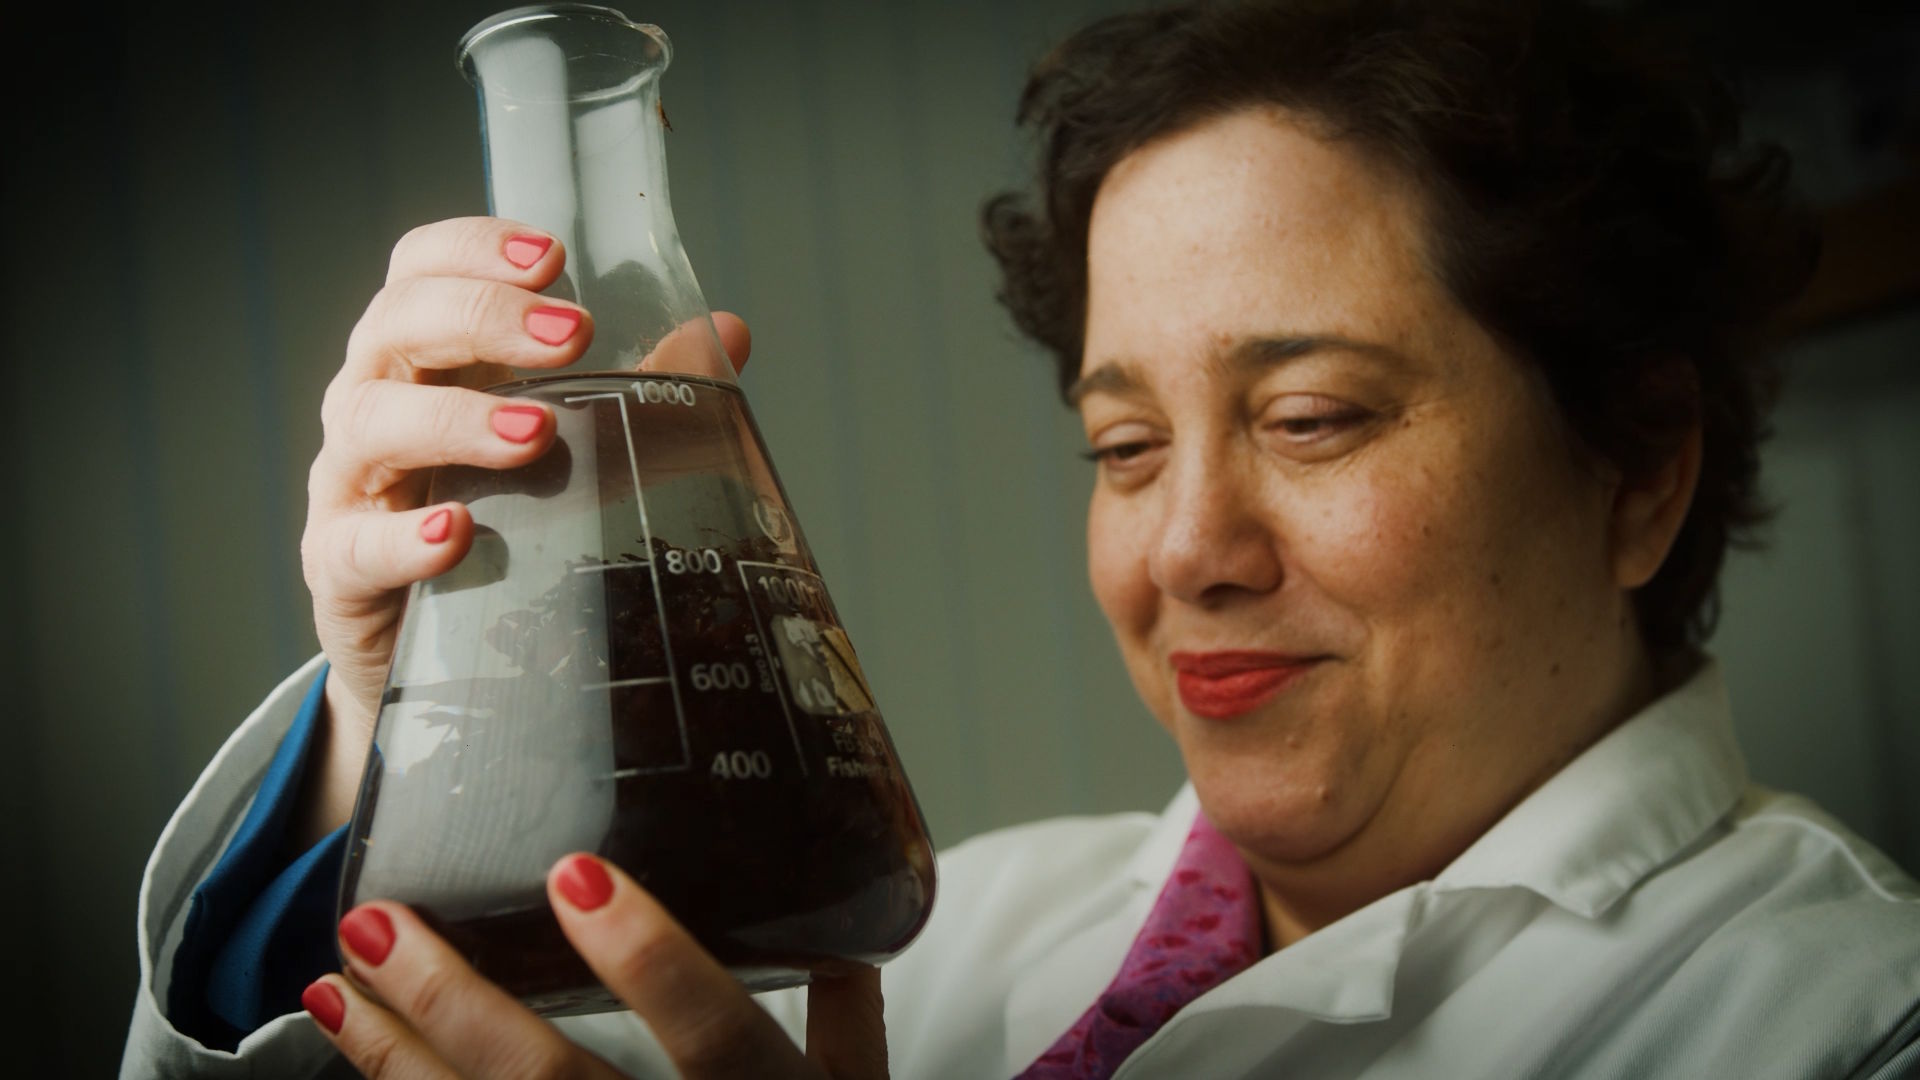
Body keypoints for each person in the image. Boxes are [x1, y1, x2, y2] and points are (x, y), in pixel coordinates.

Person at [124, 2, 1920, 1077]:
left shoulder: (1847, 1022)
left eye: (1311, 417)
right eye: (1124, 446)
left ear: (1639, 469)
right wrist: (392, 712)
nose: (1188, 549)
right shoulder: (924, 934)